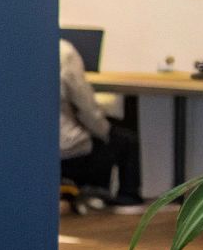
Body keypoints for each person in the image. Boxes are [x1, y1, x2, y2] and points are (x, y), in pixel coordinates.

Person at [60, 38, 144, 211]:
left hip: (30, 150)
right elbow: (86, 108)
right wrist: (105, 131)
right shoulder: (63, 51)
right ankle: (127, 198)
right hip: (68, 148)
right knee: (125, 139)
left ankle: (87, 193)